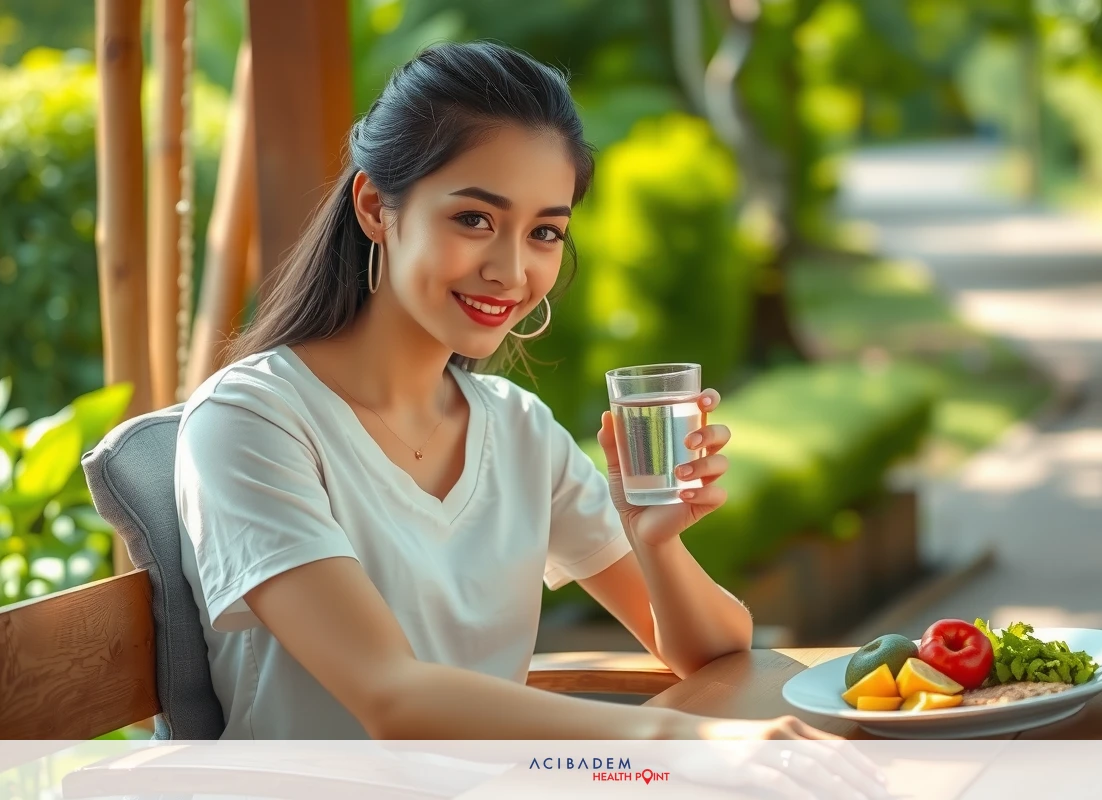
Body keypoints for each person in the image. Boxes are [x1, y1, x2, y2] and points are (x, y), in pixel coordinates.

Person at [175, 40, 833, 743]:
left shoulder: (518, 428)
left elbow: (718, 653)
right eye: (475, 220)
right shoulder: (251, 421)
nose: (511, 270)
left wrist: (656, 543)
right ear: (374, 206)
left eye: (545, 232)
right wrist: (679, 743)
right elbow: (390, 696)